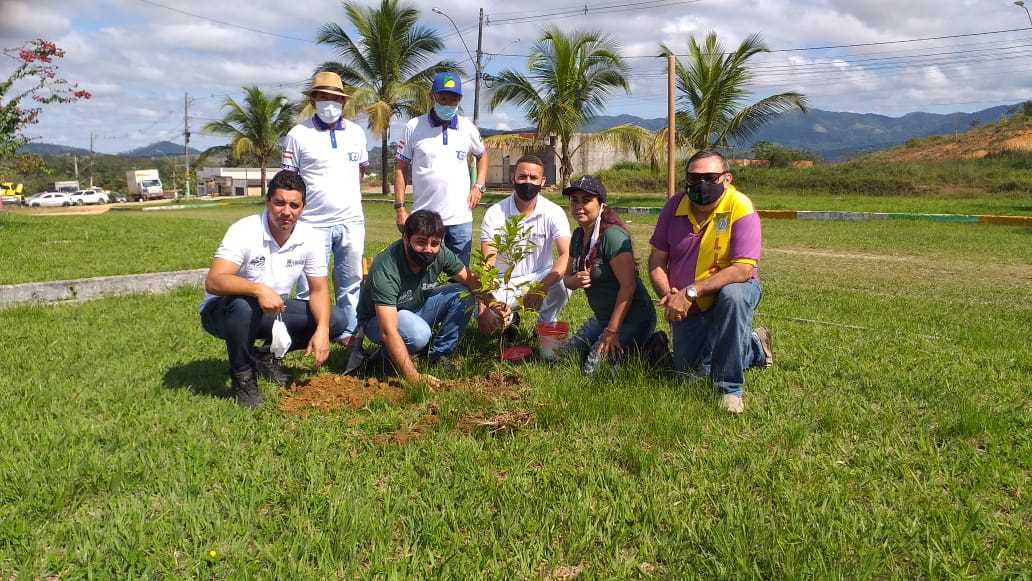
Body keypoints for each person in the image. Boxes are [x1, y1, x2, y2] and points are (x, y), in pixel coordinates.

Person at [200, 170, 343, 408]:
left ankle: (267, 356)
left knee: (337, 319)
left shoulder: (311, 238)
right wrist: (258, 289)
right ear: (268, 202)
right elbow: (214, 281)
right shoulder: (244, 230)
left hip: (271, 310)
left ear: (303, 208)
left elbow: (318, 291)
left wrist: (323, 330)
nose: (286, 211)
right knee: (243, 305)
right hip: (223, 313)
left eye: (294, 205)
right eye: (279, 203)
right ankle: (243, 378)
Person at [647, 149, 774, 415]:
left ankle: (730, 389)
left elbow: (742, 269)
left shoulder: (740, 207)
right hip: (686, 301)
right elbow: (656, 260)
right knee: (689, 374)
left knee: (734, 296)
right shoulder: (674, 207)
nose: (701, 185)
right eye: (694, 178)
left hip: (728, 291)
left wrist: (691, 292)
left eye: (710, 177)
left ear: (726, 179)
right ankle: (753, 347)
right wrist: (669, 294)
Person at [354, 210, 503, 387]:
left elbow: (470, 280)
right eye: (420, 242)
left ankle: (439, 356)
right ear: (405, 239)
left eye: (434, 243)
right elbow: (388, 331)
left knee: (463, 295)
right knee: (418, 334)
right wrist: (415, 378)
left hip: (416, 307)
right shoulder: (386, 267)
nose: (428, 249)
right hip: (378, 321)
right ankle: (383, 358)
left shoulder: (441, 254)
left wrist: (495, 305)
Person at [280, 71, 368, 347]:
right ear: (314, 100)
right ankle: (310, 333)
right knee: (308, 285)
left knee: (351, 280)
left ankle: (347, 332)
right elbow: (289, 181)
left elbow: (360, 172)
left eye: (335, 98)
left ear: (343, 102)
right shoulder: (297, 135)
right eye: (324, 97)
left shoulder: (356, 133)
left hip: (351, 220)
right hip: (311, 224)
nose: (329, 103)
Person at [561, 175, 659, 373]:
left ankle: (651, 350)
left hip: (634, 318)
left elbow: (628, 287)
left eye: (586, 200)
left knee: (593, 372)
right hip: (603, 317)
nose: (579, 206)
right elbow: (567, 280)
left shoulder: (612, 236)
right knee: (566, 357)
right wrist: (575, 279)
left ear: (601, 205)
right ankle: (628, 351)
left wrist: (612, 331)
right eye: (574, 200)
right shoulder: (578, 235)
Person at [393, 71, 488, 265]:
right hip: (424, 220)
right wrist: (400, 208)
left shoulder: (467, 127)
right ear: (432, 97)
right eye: (442, 98)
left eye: (453, 99)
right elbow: (400, 168)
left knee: (459, 278)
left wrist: (478, 186)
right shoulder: (414, 126)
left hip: (460, 220)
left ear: (460, 99)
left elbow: (482, 155)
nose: (447, 104)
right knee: (422, 276)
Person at [476, 154, 571, 334]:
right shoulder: (495, 213)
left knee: (564, 281)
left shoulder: (554, 212)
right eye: (522, 176)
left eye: (533, 178)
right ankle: (510, 320)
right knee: (491, 328)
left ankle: (545, 324)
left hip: (539, 277)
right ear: (514, 178)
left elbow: (566, 254)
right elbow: (487, 263)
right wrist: (482, 309)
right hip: (503, 283)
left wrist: (541, 288)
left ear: (542, 181)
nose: (528, 182)